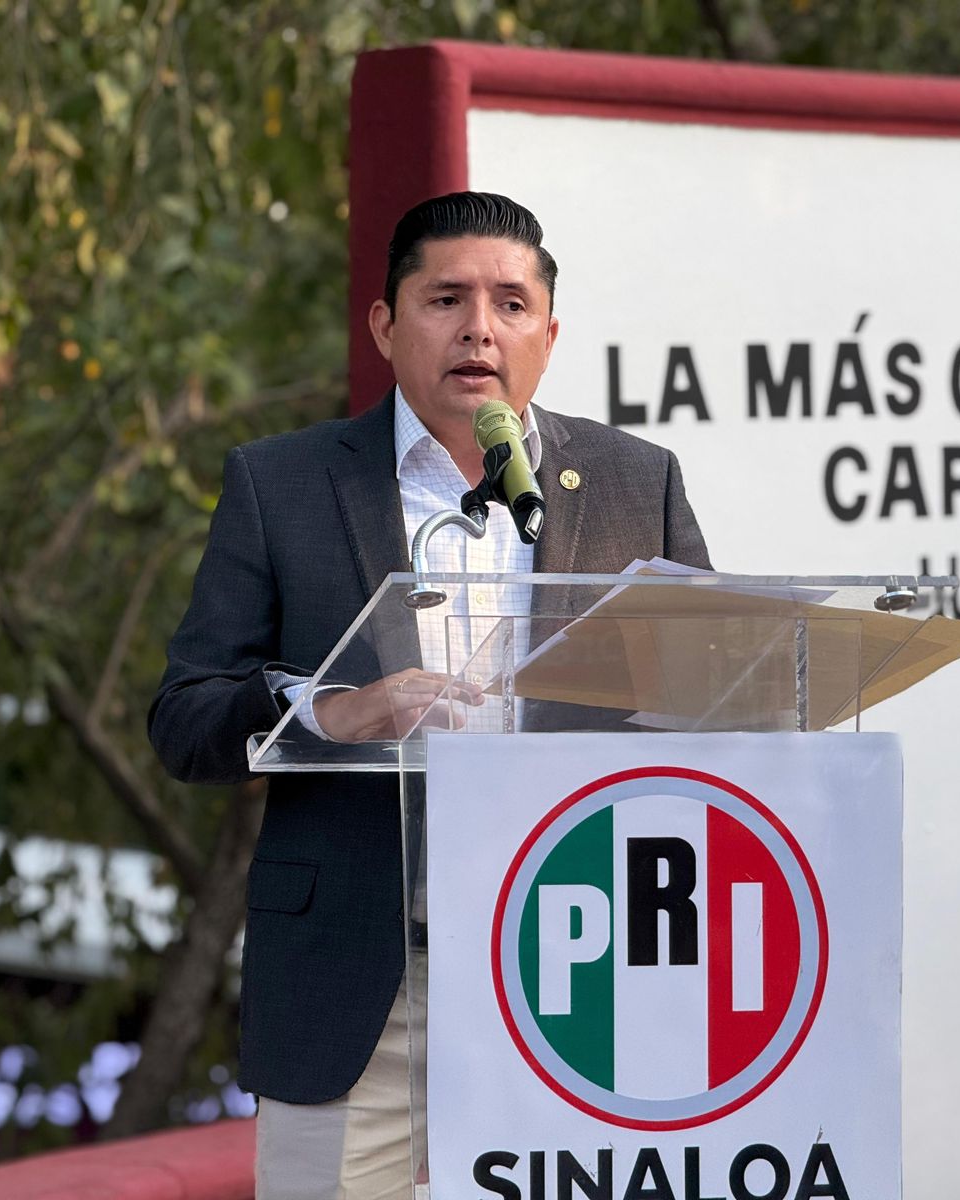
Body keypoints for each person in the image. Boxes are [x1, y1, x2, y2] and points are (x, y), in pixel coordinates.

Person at [148, 192, 710, 1199]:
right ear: (385, 324)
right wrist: (330, 712)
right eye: (446, 299)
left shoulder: (637, 483)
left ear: (549, 335)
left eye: (510, 304)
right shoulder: (282, 484)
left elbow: (713, 700)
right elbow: (186, 719)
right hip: (360, 979)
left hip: (579, 973)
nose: (478, 329)